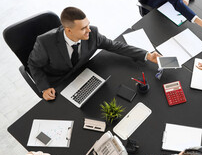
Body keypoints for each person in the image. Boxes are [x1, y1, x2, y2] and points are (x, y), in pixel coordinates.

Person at [28, 7, 161, 101]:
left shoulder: (93, 34)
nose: (89, 30)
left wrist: (147, 55)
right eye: (83, 28)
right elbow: (33, 64)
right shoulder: (45, 42)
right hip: (59, 83)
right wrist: (44, 88)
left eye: (88, 25)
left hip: (84, 74)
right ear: (68, 30)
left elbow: (115, 46)